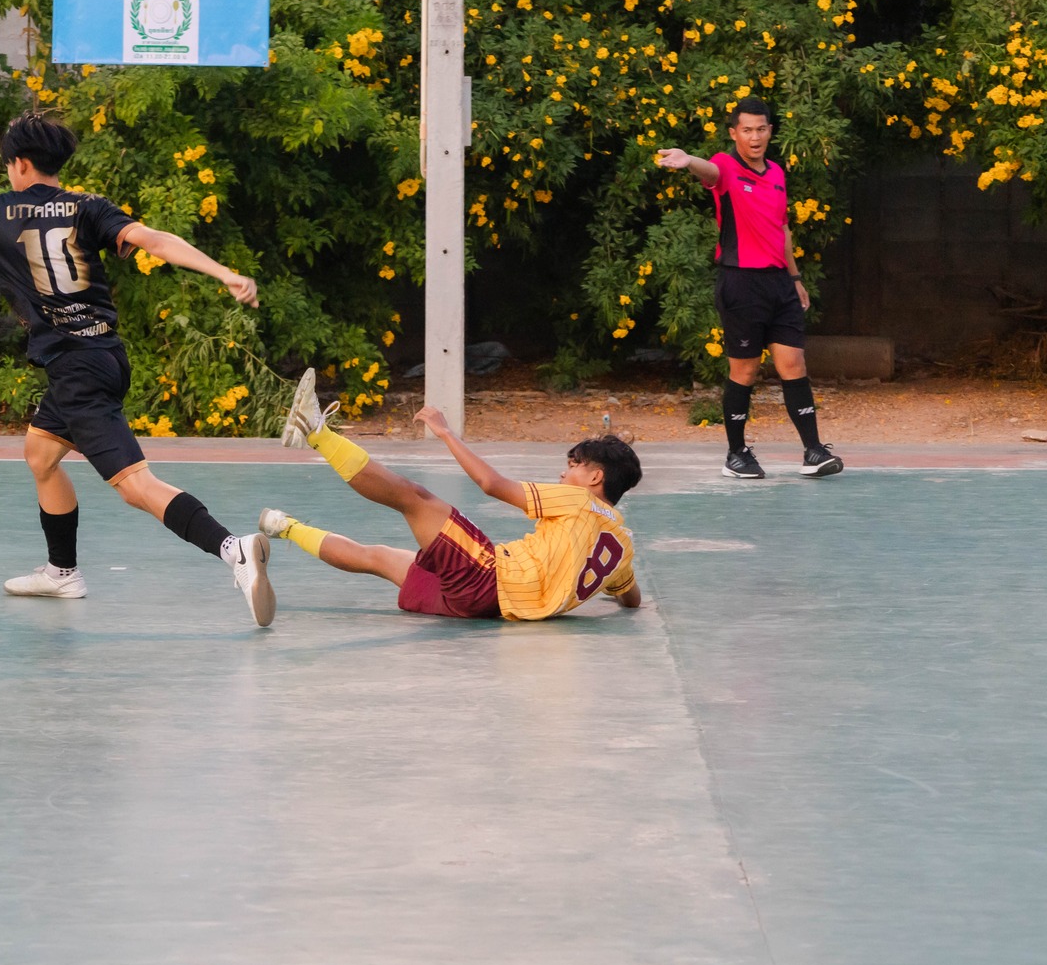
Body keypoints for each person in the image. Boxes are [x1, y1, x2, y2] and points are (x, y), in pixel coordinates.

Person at [0, 113, 276, 625]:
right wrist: (226, 273)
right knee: (41, 455)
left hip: (78, 372)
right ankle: (63, 573)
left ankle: (233, 550)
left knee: (135, 486)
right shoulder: (87, 207)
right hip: (98, 358)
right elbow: (154, 239)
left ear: (18, 164)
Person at [261, 370, 643, 621]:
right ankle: (283, 526)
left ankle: (315, 432)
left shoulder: (578, 500)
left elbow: (492, 485)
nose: (564, 472)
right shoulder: (622, 544)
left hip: (488, 577)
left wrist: (445, 433)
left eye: (574, 465)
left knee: (414, 497)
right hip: (486, 609)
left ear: (595, 476)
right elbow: (631, 598)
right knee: (378, 558)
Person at [657, 96, 843, 480]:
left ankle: (813, 451)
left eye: (761, 129)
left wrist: (795, 278)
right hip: (741, 282)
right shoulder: (725, 167)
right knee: (745, 371)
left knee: (794, 364)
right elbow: (709, 172)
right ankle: (736, 454)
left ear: (770, 131)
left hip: (779, 284)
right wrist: (688, 160)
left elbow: (782, 228)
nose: (754, 137)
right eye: (747, 130)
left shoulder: (776, 171)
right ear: (734, 133)